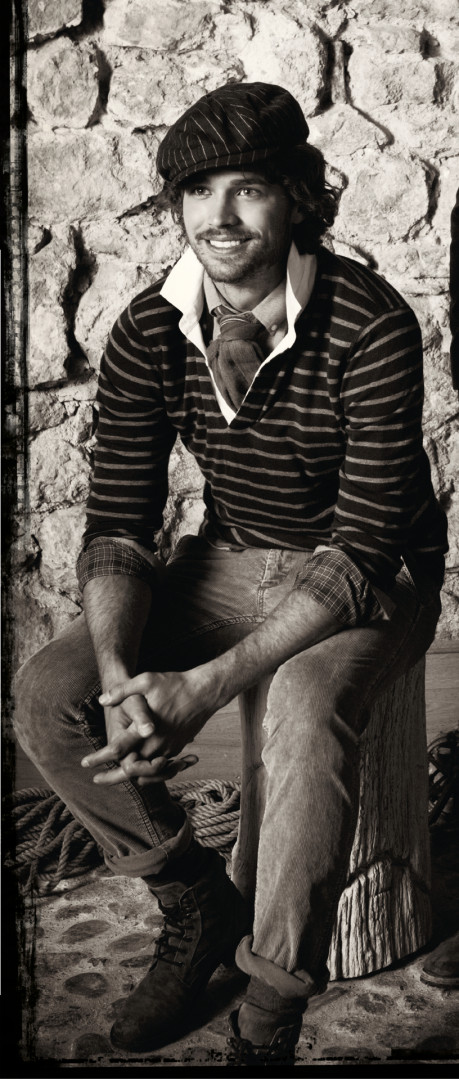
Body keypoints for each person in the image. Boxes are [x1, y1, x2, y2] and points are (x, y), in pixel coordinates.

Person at [14, 82, 448, 1064]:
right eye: (197, 191)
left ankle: (269, 1009)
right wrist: (121, 678)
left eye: (247, 187)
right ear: (176, 205)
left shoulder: (370, 322)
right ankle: (193, 901)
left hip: (372, 577)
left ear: (296, 196)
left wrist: (204, 686)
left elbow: (361, 552)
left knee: (300, 712)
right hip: (230, 555)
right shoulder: (148, 329)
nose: (219, 215)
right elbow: (119, 527)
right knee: (48, 694)